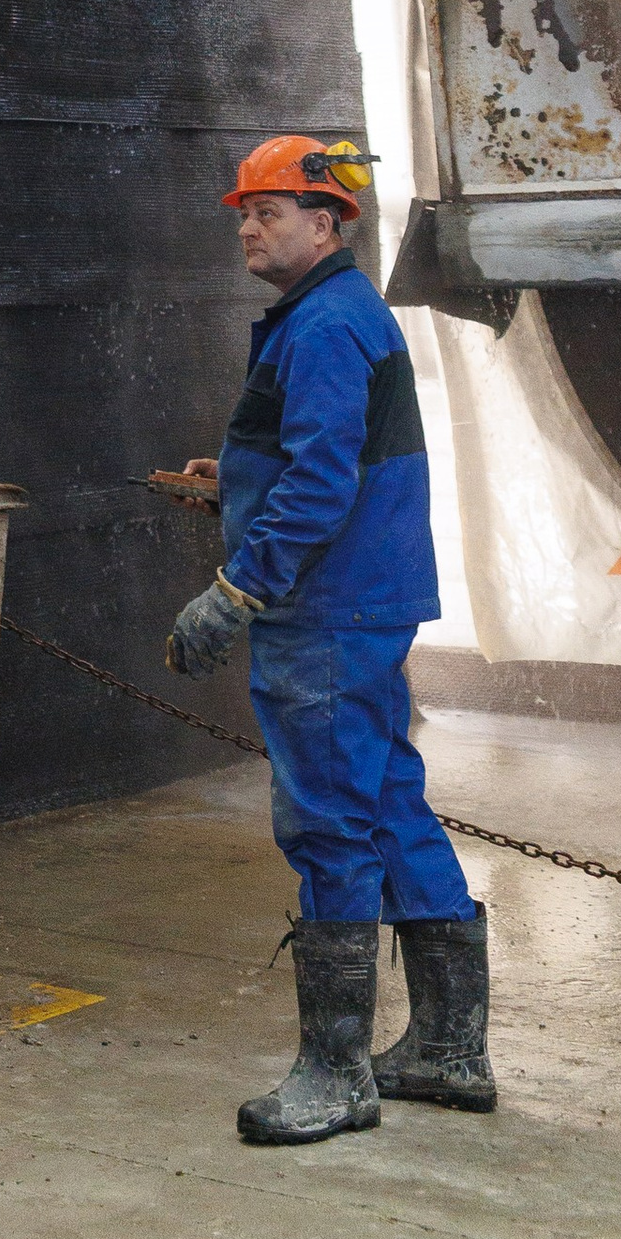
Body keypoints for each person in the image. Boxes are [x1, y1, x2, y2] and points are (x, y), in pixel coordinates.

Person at [163, 134, 495, 1146]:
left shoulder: (322, 326)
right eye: (242, 214)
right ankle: (446, 1049)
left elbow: (319, 485)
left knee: (327, 828)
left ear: (326, 220)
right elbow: (318, 461)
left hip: (325, 611)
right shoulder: (338, 316)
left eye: (266, 212)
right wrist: (232, 487)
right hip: (360, 599)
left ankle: (335, 1072)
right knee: (388, 805)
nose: (247, 227)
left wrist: (233, 589)